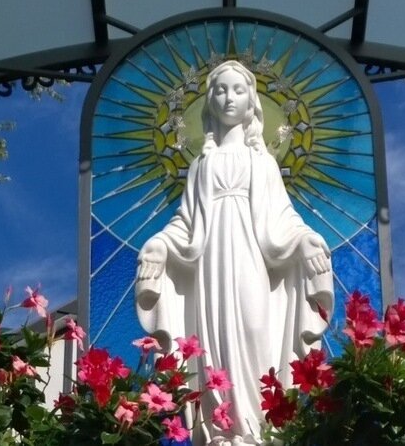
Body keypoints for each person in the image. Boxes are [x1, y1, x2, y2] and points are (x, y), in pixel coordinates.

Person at [135, 60, 333, 445]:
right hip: (210, 264)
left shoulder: (263, 162)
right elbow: (186, 221)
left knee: (256, 329)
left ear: (251, 102)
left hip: (251, 258)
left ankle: (259, 431)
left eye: (238, 90)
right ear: (210, 101)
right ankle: (222, 431)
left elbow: (283, 217)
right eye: (221, 90)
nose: (229, 98)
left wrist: (305, 240)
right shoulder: (201, 165)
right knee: (214, 344)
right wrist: (160, 244)